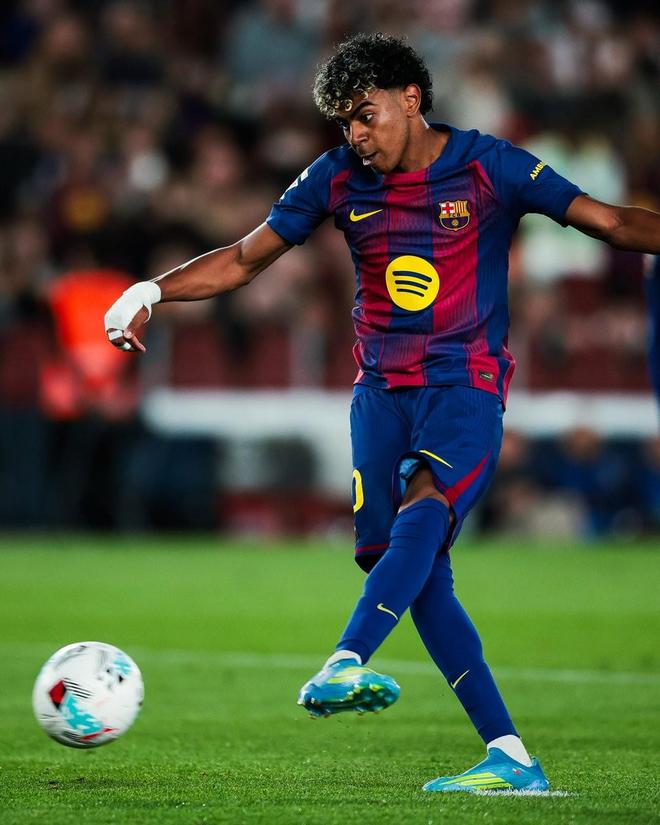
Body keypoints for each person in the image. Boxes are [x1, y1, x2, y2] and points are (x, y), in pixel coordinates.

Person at [104, 33, 660, 793]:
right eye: (344, 122)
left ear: (411, 98)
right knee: (406, 563)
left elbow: (611, 222)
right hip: (380, 393)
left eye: (366, 115)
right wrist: (150, 290)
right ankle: (510, 756)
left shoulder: (490, 166)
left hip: (464, 384)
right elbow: (243, 258)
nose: (356, 135)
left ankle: (346, 657)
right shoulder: (336, 176)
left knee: (425, 506)